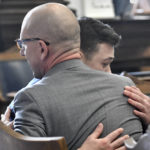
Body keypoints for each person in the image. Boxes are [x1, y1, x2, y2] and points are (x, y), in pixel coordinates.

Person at [1, 5, 143, 150]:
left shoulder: (30, 99)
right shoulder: (126, 86)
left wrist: (6, 138)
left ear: (42, 48)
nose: (22, 53)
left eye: (23, 44)